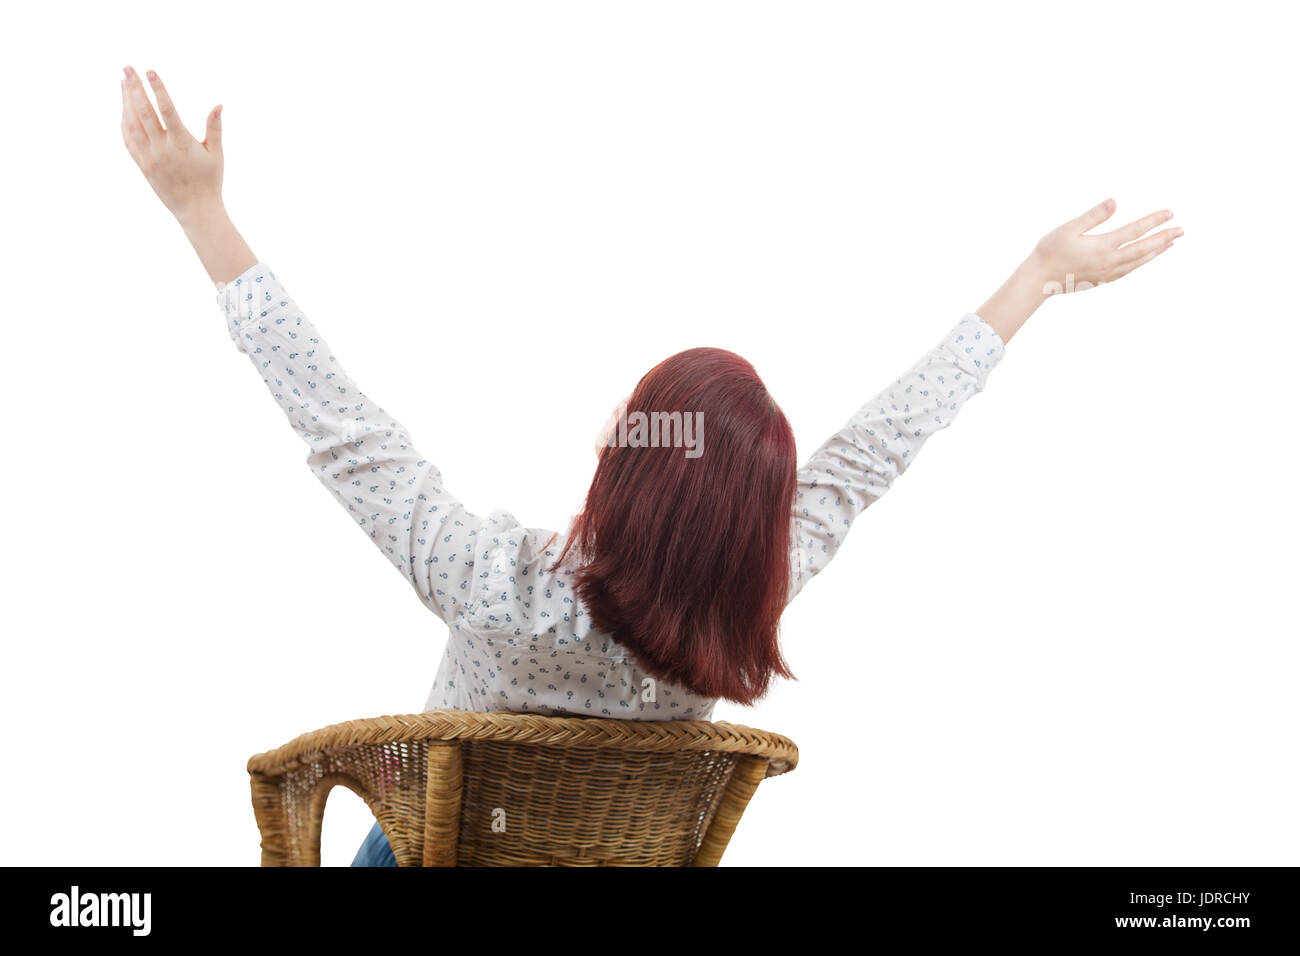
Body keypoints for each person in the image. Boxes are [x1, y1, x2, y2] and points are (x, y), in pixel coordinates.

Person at [119, 65, 1183, 866]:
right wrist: (1035, 277)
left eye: (636, 416)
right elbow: (873, 452)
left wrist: (199, 214)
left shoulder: (494, 586)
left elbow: (342, 428)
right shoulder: (749, 593)